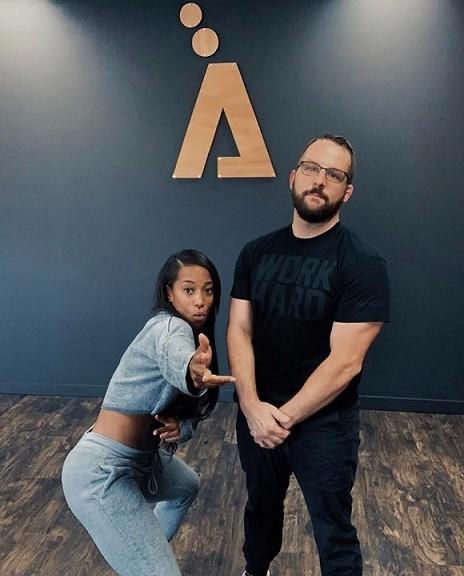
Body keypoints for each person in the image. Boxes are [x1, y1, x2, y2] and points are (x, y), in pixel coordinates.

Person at [227, 134, 390, 576]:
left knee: (333, 531)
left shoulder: (362, 264)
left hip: (324, 422)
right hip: (258, 410)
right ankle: (255, 570)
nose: (320, 180)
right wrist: (251, 406)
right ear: (293, 176)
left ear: (346, 192)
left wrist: (281, 419)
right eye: (312, 168)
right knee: (260, 508)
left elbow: (346, 361)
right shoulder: (255, 253)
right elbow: (239, 329)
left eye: (334, 175)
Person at [62, 249, 234, 576]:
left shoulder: (194, 335)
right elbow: (176, 358)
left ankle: (142, 557)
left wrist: (181, 427)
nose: (200, 301)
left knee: (186, 485)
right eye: (189, 290)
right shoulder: (168, 328)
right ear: (169, 293)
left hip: (142, 463)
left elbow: (187, 415)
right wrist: (193, 371)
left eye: (208, 290)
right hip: (101, 471)